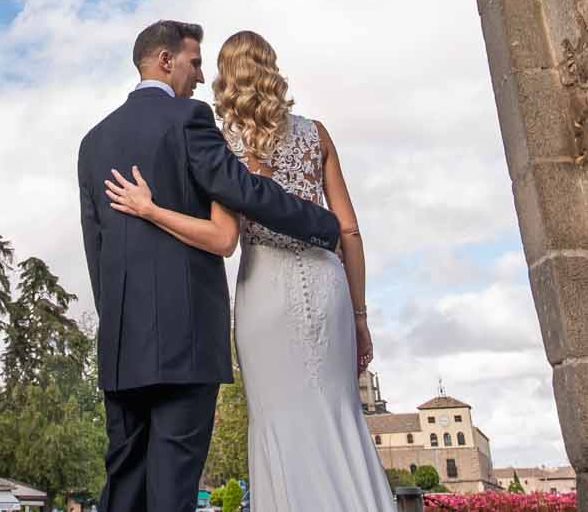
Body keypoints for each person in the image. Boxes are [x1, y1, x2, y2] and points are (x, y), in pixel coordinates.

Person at [101, 30, 394, 512]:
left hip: (265, 294)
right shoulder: (317, 135)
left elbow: (223, 238)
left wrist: (151, 210)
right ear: (272, 69)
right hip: (329, 285)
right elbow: (350, 230)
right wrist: (360, 317)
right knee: (340, 415)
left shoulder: (221, 142)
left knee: (277, 420)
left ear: (226, 78)